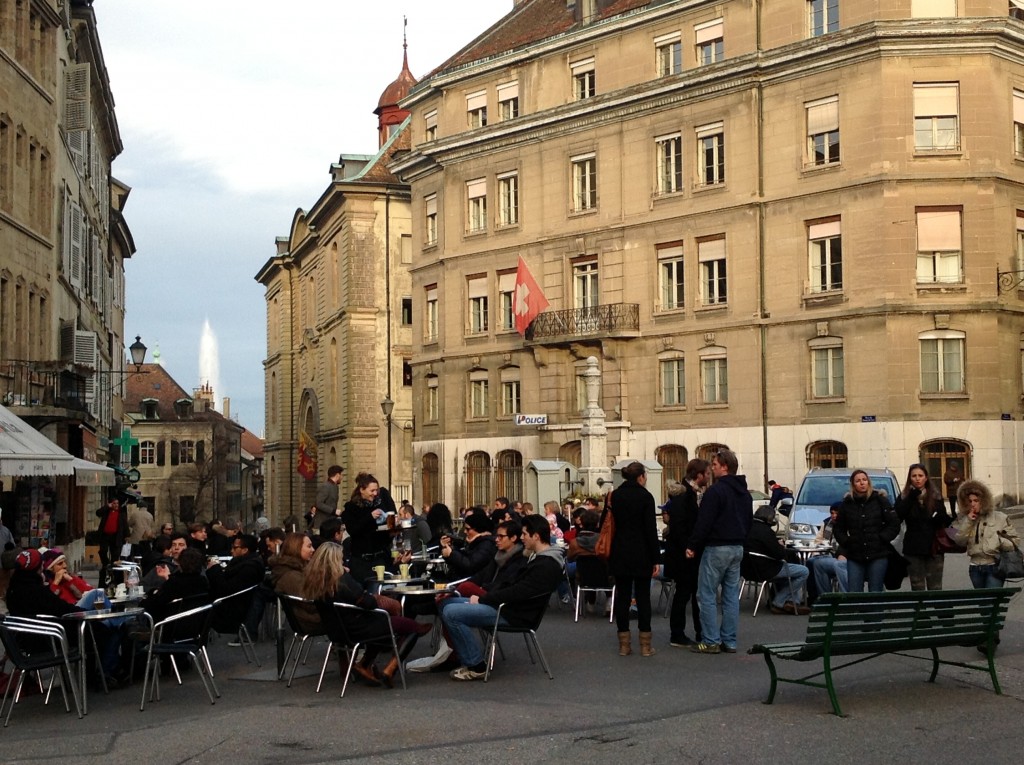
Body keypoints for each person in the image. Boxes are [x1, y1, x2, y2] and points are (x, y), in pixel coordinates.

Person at [440, 514, 563, 681]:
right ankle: (460, 655)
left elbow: (517, 592)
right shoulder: (538, 558)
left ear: (536, 536)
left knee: (451, 612)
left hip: (512, 613)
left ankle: (476, 665)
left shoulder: (544, 565)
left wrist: (483, 599)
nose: (522, 538)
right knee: (446, 603)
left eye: (525, 534)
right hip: (508, 607)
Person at [302, 542, 428, 688]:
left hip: (338, 631)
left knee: (388, 625)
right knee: (412, 628)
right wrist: (372, 596)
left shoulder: (317, 582)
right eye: (341, 559)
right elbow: (368, 603)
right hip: (359, 628)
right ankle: (390, 670)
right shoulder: (342, 581)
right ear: (335, 560)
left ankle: (365, 664)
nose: (343, 561)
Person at [686, 449, 751, 655]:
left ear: (724, 467)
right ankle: (729, 640)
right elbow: (749, 520)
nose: (712, 468)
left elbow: (704, 521)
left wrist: (693, 545)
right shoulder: (744, 493)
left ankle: (711, 640)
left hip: (716, 547)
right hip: (737, 546)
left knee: (706, 594)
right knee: (731, 596)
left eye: (714, 465)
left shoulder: (715, 492)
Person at [606, 461, 660, 658]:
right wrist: (656, 557)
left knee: (623, 597)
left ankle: (624, 644)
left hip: (620, 549)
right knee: (643, 597)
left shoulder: (615, 496)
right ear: (641, 477)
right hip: (642, 551)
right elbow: (650, 529)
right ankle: (645, 645)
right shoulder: (646, 497)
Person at [664, 459, 708, 646]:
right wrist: (689, 547)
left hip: (684, 551)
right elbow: (680, 526)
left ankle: (696, 631)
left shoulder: (689, 494)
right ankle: (679, 633)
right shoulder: (685, 495)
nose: (708, 476)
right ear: (698, 475)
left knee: (688, 592)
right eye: (706, 473)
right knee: (685, 593)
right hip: (685, 554)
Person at [833, 469, 900, 593]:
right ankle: (857, 611)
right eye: (858, 481)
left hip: (878, 553)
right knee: (854, 591)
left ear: (868, 482)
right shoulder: (847, 504)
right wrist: (847, 542)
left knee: (875, 589)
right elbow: (838, 528)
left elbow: (894, 523)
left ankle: (875, 612)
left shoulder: (880, 500)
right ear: (853, 484)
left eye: (864, 480)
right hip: (855, 555)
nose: (862, 483)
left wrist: (882, 538)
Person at [954, 479, 1020, 589]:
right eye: (970, 501)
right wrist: (968, 522)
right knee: (983, 602)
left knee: (992, 600)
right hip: (975, 567)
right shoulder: (965, 519)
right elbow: (959, 541)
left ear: (983, 501)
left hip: (994, 566)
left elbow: (1015, 542)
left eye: (976, 500)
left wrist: (997, 541)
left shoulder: (1000, 518)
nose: (973, 504)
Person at [743, 506, 810, 614]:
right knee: (803, 571)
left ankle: (791, 601)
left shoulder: (747, 528)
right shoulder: (766, 532)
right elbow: (779, 555)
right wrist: (781, 545)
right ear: (770, 518)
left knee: (790, 572)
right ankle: (780, 601)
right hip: (767, 570)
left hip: (748, 570)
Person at [895, 463, 951, 591]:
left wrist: (940, 518)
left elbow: (944, 520)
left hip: (934, 548)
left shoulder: (935, 496)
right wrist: (911, 497)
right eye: (914, 476)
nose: (917, 478)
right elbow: (898, 516)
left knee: (935, 587)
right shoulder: (904, 497)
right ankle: (919, 611)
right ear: (910, 478)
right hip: (913, 548)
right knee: (917, 587)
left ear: (926, 478)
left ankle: (937, 611)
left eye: (920, 475)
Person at [206, 533, 267, 643]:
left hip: (231, 608)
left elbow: (226, 589)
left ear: (245, 550)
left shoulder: (249, 568)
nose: (231, 550)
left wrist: (215, 570)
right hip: (232, 602)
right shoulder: (243, 563)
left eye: (235, 547)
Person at [341, 472, 395, 582]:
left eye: (376, 490)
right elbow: (354, 531)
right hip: (361, 561)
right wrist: (370, 518)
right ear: (362, 490)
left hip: (380, 559)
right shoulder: (351, 508)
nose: (375, 494)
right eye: (372, 491)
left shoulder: (380, 505)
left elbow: (383, 537)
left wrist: (392, 532)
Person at [270, 532, 320, 633]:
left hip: (310, 617)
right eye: (309, 546)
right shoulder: (290, 576)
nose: (313, 550)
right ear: (296, 548)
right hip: (310, 621)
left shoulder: (295, 571)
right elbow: (308, 602)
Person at [806, 502, 848, 602]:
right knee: (810, 562)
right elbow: (818, 540)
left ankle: (825, 598)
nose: (834, 516)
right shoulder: (826, 523)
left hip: (843, 557)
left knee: (818, 564)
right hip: (827, 553)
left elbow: (848, 543)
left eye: (836, 513)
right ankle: (815, 597)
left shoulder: (848, 524)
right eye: (832, 513)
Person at [42, 549, 107, 609]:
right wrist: (56, 582)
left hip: (80, 609)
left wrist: (70, 580)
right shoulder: (47, 584)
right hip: (68, 613)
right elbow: (49, 602)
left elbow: (88, 592)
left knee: (98, 594)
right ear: (50, 569)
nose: (65, 566)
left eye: (65, 562)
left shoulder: (70, 579)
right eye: (60, 564)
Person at [440, 512, 496, 579]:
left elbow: (471, 565)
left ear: (478, 529)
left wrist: (451, 554)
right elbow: (464, 557)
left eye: (468, 529)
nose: (465, 532)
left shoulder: (486, 545)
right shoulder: (476, 542)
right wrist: (448, 550)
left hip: (470, 581)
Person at [96, 496, 128, 586]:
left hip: (116, 536)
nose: (116, 505)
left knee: (115, 555)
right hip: (105, 536)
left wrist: (126, 536)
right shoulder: (106, 511)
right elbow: (98, 513)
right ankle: (106, 564)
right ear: (110, 504)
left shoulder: (121, 513)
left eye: (117, 503)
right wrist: (107, 506)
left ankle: (113, 572)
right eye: (114, 503)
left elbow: (125, 525)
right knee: (103, 551)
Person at [313, 464, 345, 531]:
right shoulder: (325, 486)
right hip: (321, 525)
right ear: (337, 475)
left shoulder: (335, 487)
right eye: (341, 475)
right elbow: (318, 503)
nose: (342, 477)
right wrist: (333, 511)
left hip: (330, 524)